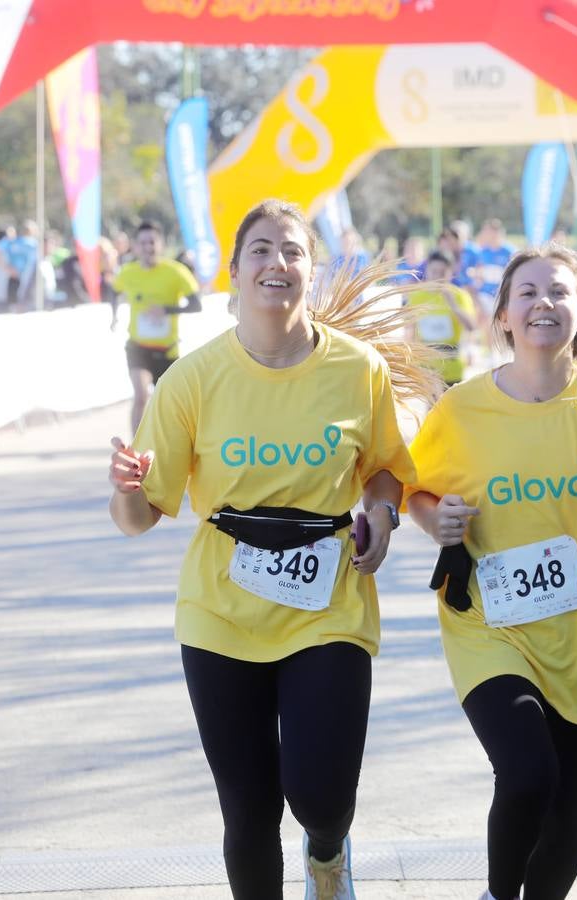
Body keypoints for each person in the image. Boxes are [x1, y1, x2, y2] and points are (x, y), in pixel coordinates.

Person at [108, 199, 438, 900]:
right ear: (233, 272)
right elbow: (140, 518)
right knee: (250, 811)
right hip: (221, 611)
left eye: (292, 251)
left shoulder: (357, 369)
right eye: (260, 249)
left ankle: (327, 852)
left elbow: (384, 466)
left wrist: (381, 511)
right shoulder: (191, 380)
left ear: (311, 272)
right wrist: (127, 489)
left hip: (329, 602)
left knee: (321, 795)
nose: (276, 263)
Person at [404, 243, 577, 900]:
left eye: (559, 292)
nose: (543, 304)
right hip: (491, 628)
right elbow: (416, 488)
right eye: (526, 293)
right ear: (501, 317)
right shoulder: (462, 409)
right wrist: (435, 522)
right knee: (528, 775)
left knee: (566, 815)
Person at [113, 220, 203, 433]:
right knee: (141, 395)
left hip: (167, 349)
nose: (148, 248)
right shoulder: (127, 272)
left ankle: (170, 445)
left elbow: (196, 306)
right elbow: (114, 293)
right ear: (135, 246)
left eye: (152, 242)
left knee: (170, 404)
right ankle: (135, 449)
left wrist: (167, 310)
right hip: (138, 346)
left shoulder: (177, 272)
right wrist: (113, 317)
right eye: (143, 243)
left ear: (160, 244)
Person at [405, 250, 478, 386]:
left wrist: (454, 307)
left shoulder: (459, 296)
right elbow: (410, 330)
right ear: (427, 270)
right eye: (434, 271)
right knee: (431, 406)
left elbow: (472, 327)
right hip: (426, 364)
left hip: (453, 364)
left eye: (443, 272)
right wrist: (409, 359)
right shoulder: (416, 296)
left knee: (451, 406)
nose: (438, 276)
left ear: (451, 272)